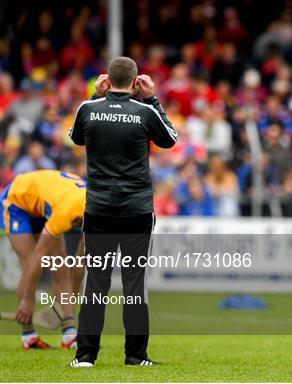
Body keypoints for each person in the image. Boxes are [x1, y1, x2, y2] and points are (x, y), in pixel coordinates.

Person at [68, 57, 177, 367]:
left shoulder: (88, 109)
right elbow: (170, 139)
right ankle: (135, 356)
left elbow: (75, 137)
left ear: (106, 80)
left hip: (99, 208)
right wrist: (152, 97)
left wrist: (94, 96)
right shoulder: (144, 111)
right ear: (134, 82)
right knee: (134, 284)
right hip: (136, 209)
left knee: (95, 283)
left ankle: (86, 356)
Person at [4, 170, 86, 349]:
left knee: (61, 266)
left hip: (48, 203)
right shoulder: (68, 212)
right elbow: (38, 256)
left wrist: (69, 307)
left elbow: (82, 262)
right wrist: (28, 299)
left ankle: (69, 334)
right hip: (17, 202)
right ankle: (28, 335)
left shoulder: (99, 215)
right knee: (30, 263)